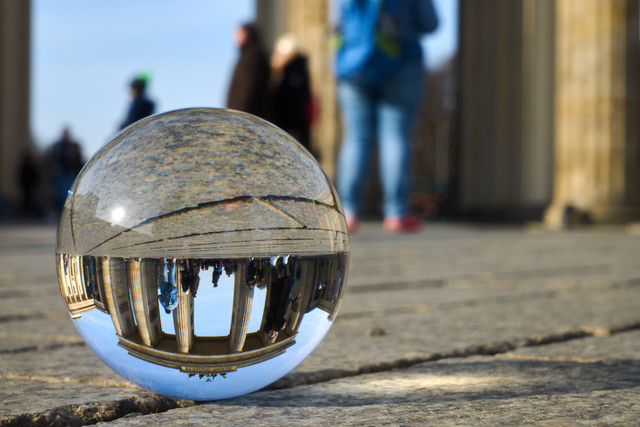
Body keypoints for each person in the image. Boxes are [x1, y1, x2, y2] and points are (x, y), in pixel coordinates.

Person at [334, 0, 438, 232]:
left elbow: (342, 19)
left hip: (354, 65)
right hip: (401, 61)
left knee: (356, 139)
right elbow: (430, 23)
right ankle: (396, 213)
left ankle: (348, 211)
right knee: (395, 137)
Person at [269, 33, 312, 152]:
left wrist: (294, 128)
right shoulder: (291, 72)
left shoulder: (294, 73)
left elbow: (295, 102)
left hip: (292, 130)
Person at [226, 22, 271, 120]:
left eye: (239, 33)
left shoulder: (252, 55)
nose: (235, 37)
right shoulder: (248, 54)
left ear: (248, 34)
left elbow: (248, 86)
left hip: (245, 115)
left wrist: (238, 115)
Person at [45, 127, 84, 214]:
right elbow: (51, 159)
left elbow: (79, 160)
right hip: (59, 174)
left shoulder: (74, 145)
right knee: (60, 195)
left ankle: (67, 212)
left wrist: (73, 155)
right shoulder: (57, 146)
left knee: (68, 194)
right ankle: (60, 213)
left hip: (70, 174)